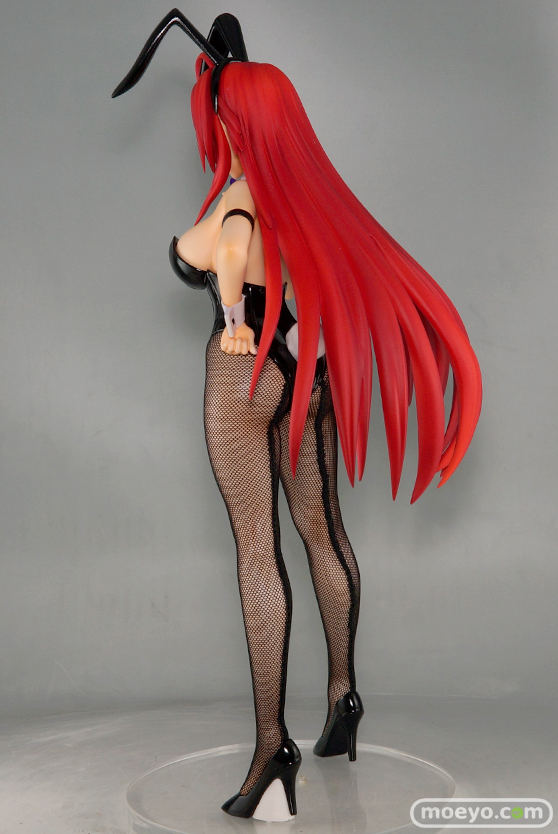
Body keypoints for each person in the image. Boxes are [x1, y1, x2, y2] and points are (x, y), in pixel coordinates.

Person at [113, 10, 482, 822]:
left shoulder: (237, 206)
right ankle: (345, 696)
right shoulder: (308, 201)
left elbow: (220, 253)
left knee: (258, 553)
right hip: (306, 377)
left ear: (229, 122)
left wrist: (230, 312)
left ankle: (271, 748)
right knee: (323, 531)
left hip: (241, 384)